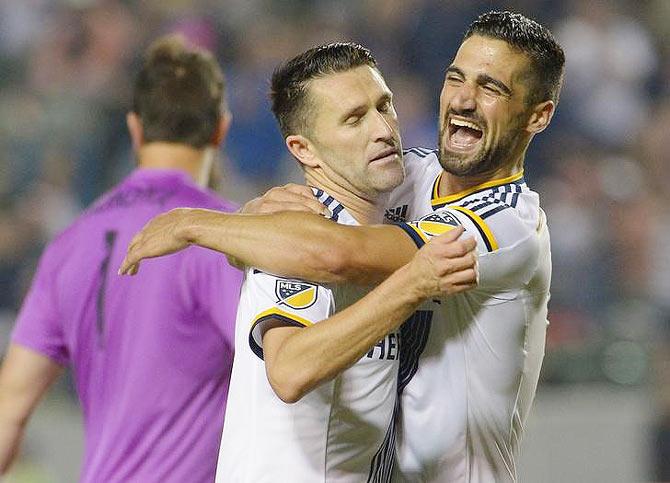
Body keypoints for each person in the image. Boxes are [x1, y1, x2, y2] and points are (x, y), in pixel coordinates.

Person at [121, 11, 564, 482]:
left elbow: (339, 255)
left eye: (491, 88)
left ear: (538, 115)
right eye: (456, 78)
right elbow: (299, 284)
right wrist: (249, 223)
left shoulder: (508, 223)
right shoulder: (391, 181)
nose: (465, 100)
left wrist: (196, 224)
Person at [218, 42, 477, 482]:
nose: (382, 129)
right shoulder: (298, 233)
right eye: (354, 119)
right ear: (305, 150)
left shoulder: (379, 231)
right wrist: (411, 285)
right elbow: (290, 370)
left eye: (385, 105)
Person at [0, 36, 243, 483]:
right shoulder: (224, 237)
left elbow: (9, 407)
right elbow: (280, 370)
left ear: (135, 128)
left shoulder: (69, 243)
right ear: (220, 129)